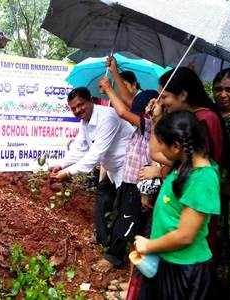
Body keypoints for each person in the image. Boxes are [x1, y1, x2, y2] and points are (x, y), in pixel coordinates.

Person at [134, 111, 220, 300]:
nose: (160, 147)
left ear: (175, 146)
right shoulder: (182, 162)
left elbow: (185, 236)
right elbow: (155, 152)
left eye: (163, 143)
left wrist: (149, 245)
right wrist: (156, 118)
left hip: (185, 269)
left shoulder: (202, 179)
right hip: (167, 260)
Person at [96, 77, 167, 277]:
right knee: (123, 215)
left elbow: (122, 111)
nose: (136, 112)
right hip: (129, 181)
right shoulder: (142, 126)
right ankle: (127, 257)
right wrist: (113, 72)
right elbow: (128, 103)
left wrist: (110, 88)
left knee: (127, 220)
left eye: (140, 110)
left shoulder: (149, 125)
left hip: (138, 184)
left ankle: (113, 257)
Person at [50, 87, 134, 248]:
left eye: (80, 105)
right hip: (111, 169)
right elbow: (79, 149)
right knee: (103, 202)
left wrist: (67, 172)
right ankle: (103, 240)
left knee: (124, 211)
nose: (77, 110)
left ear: (90, 100)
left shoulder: (108, 117)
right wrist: (60, 165)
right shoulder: (85, 122)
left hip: (127, 168)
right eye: (73, 108)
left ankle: (115, 256)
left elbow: (96, 154)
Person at [212, 67, 230, 296]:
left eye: (229, 89)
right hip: (214, 190)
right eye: (218, 89)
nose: (223, 94)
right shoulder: (215, 116)